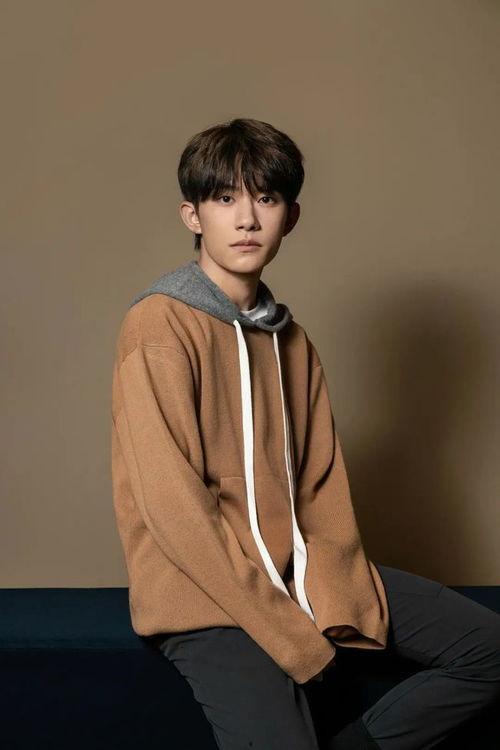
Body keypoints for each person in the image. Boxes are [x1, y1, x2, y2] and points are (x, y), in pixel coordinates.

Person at [110, 118, 500, 749]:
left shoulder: (291, 341)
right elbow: (172, 508)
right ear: (193, 215)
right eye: (225, 199)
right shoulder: (159, 326)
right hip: (205, 594)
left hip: (296, 572)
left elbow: (319, 488)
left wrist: (334, 589)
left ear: (290, 217)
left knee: (489, 651)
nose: (246, 219)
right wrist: (289, 634)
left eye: (265, 199)